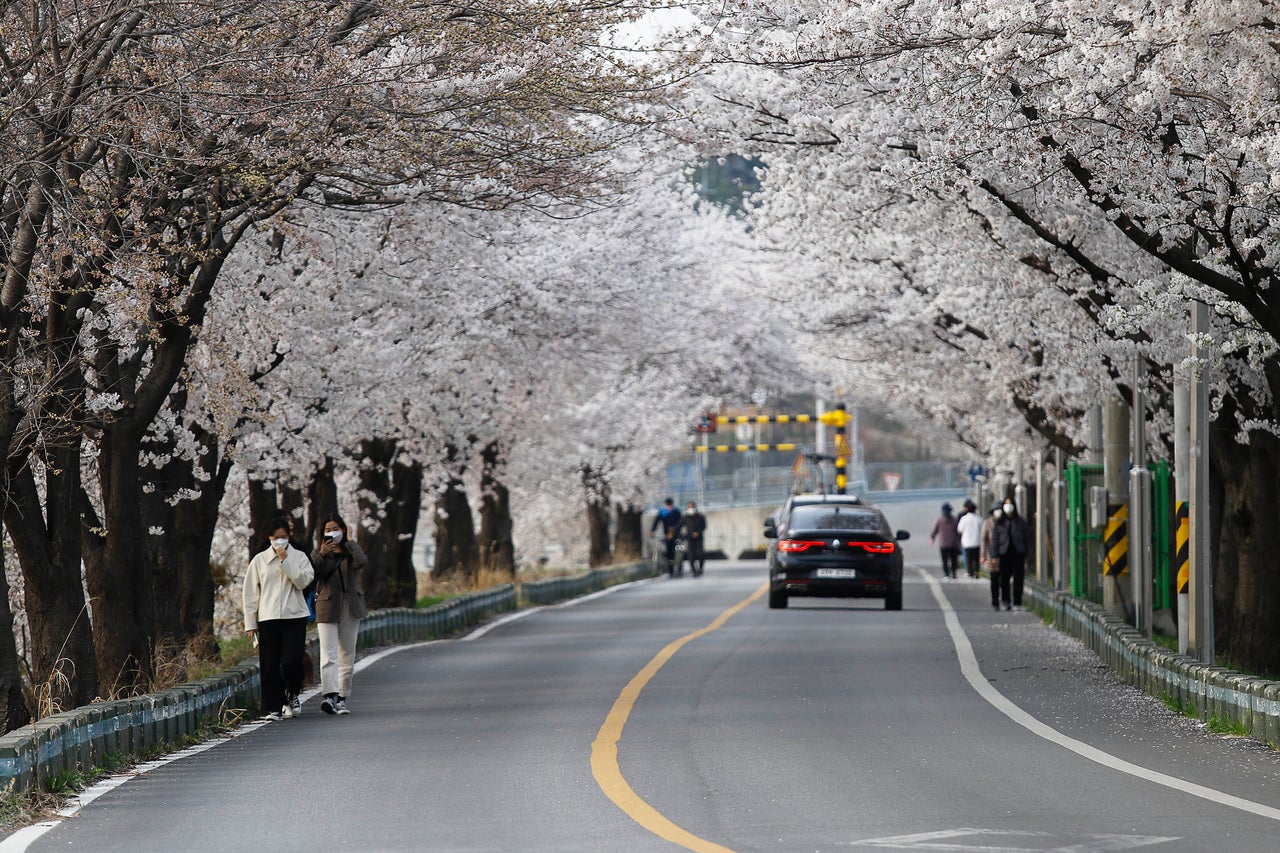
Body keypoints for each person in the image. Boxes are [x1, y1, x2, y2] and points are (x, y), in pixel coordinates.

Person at [244, 518, 315, 720]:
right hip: (268, 617)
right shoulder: (259, 561)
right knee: (270, 664)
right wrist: (251, 624)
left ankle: (292, 692)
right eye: (276, 538)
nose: (280, 542)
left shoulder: (299, 557)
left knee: (293, 661)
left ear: (289, 536)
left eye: (284, 537)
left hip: (295, 615)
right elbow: (250, 594)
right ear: (269, 538)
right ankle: (274, 706)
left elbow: (302, 581)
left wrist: (286, 560)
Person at [311, 514, 369, 716]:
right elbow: (313, 574)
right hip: (327, 606)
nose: (332, 533)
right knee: (328, 653)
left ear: (343, 530)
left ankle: (343, 697)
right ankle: (329, 695)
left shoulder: (350, 552)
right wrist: (322, 553)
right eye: (328, 530)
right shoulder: (318, 552)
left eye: (336, 528)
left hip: (351, 606)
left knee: (347, 653)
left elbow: (362, 562)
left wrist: (351, 541)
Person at [994, 498, 1031, 610]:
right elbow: (995, 539)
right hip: (1004, 554)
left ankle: (1017, 602)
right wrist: (994, 555)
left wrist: (1026, 554)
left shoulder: (1021, 522)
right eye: (1006, 504)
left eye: (1010, 504)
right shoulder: (1000, 523)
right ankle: (1006, 601)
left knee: (1018, 579)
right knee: (1004, 579)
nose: (1008, 506)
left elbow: (1026, 539)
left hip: (1018, 554)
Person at [650, 498, 683, 577]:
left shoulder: (676, 512)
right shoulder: (663, 512)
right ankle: (671, 569)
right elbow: (656, 521)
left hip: (676, 534)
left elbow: (680, 522)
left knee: (677, 550)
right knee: (669, 552)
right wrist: (652, 530)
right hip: (667, 535)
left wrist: (673, 530)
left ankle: (678, 566)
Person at [929, 502, 962, 579]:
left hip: (943, 544)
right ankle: (953, 573)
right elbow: (959, 532)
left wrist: (932, 538)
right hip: (953, 544)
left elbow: (935, 530)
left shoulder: (939, 520)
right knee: (954, 560)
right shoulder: (955, 520)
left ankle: (946, 574)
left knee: (945, 560)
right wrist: (960, 541)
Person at [980, 506, 1002, 610]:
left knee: (1003, 579)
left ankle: (1005, 598)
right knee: (994, 579)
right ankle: (995, 601)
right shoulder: (987, 523)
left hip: (1004, 556)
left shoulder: (1006, 522)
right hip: (991, 556)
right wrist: (983, 555)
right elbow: (983, 540)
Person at [956, 499, 983, 579]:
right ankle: (977, 573)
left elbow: (959, 530)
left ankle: (970, 572)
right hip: (977, 542)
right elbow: (982, 530)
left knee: (969, 559)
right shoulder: (979, 519)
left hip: (967, 542)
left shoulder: (964, 519)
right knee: (976, 559)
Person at [680, 501, 707, 577]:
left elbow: (704, 526)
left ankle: (700, 569)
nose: (691, 508)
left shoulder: (700, 516)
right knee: (691, 556)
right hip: (689, 538)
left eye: (692, 506)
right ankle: (694, 571)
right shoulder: (685, 517)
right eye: (689, 507)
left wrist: (698, 532)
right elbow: (679, 525)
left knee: (700, 554)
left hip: (699, 538)